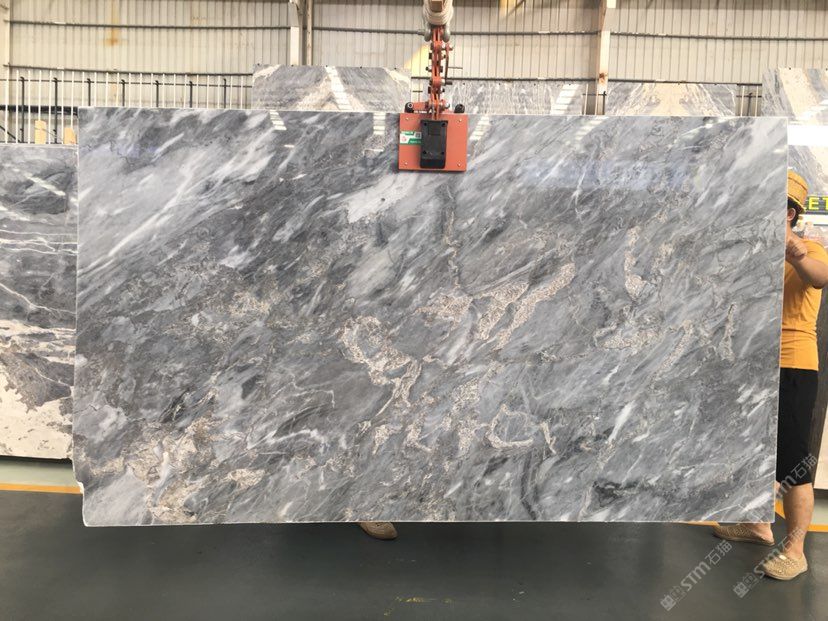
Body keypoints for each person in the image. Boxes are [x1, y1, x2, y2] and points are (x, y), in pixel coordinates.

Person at [713, 170, 828, 580]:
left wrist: (794, 252)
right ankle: (759, 525)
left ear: (789, 212)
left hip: (793, 364)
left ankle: (795, 550)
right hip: (752, 364)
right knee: (755, 450)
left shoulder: (810, 249)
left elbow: (819, 277)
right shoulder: (753, 253)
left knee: (794, 461)